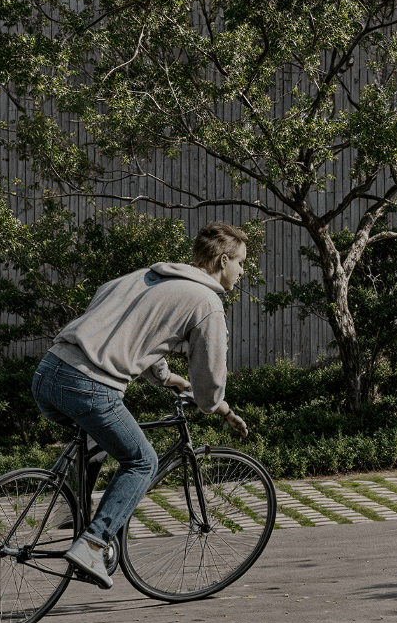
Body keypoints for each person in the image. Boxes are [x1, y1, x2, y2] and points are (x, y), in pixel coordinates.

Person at [35, 225, 250, 588]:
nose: (243, 271)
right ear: (223, 259)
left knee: (97, 438)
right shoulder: (206, 302)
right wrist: (215, 405)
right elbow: (210, 382)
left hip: (49, 372)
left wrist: (166, 377)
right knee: (142, 461)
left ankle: (74, 508)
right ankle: (91, 544)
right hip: (90, 385)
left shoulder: (147, 277)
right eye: (241, 262)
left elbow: (129, 329)